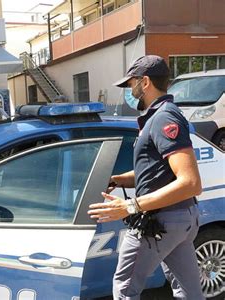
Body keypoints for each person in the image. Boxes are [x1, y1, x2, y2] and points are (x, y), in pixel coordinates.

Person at [87, 55, 204, 299]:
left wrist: (130, 206)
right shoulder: (160, 115)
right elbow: (156, 170)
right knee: (189, 291)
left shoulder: (164, 117)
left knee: (124, 287)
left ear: (146, 82)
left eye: (131, 84)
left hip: (160, 221)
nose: (131, 90)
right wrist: (119, 179)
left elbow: (190, 183)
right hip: (178, 220)